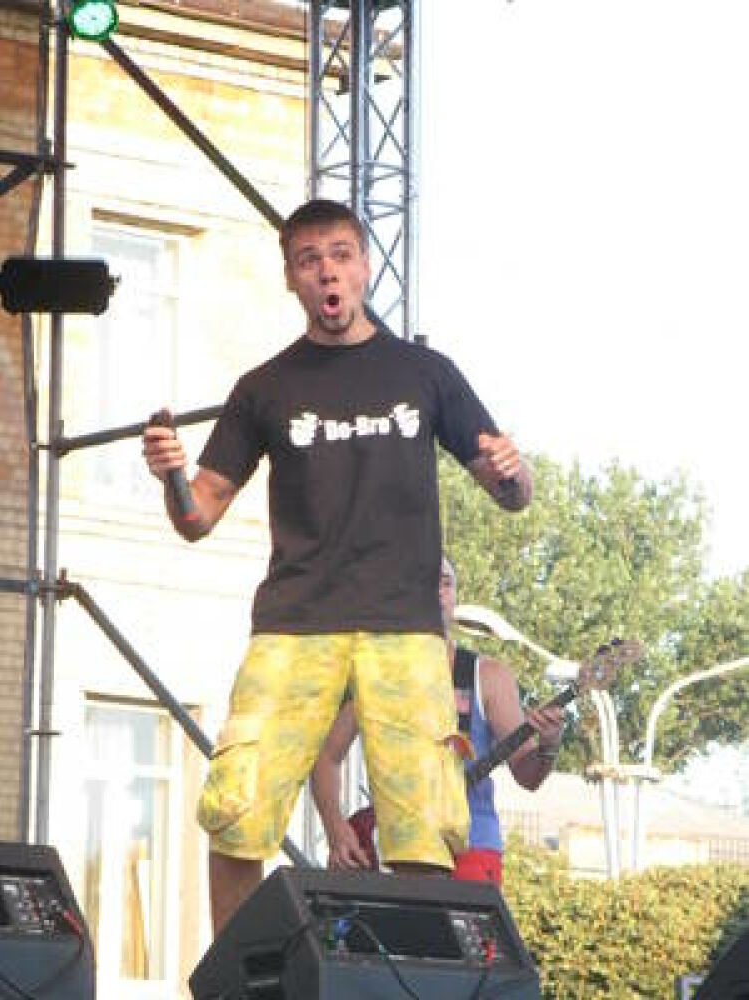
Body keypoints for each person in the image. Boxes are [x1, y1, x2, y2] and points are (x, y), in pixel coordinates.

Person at [142, 198, 533, 933]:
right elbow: (198, 516)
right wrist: (171, 477)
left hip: (405, 628)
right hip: (294, 624)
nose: (327, 271)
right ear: (291, 277)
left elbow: (508, 491)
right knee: (237, 809)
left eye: (341, 254)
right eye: (309, 258)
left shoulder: (425, 372)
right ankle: (237, 980)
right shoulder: (264, 387)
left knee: (424, 822)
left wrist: (514, 473)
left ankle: (418, 976)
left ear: (363, 267)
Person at [310, 558, 564, 886]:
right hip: (391, 845)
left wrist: (549, 745)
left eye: (446, 583)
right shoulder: (379, 674)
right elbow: (326, 757)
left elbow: (528, 775)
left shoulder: (487, 676)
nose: (439, 591)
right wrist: (335, 828)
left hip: (471, 849)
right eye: (429, 581)